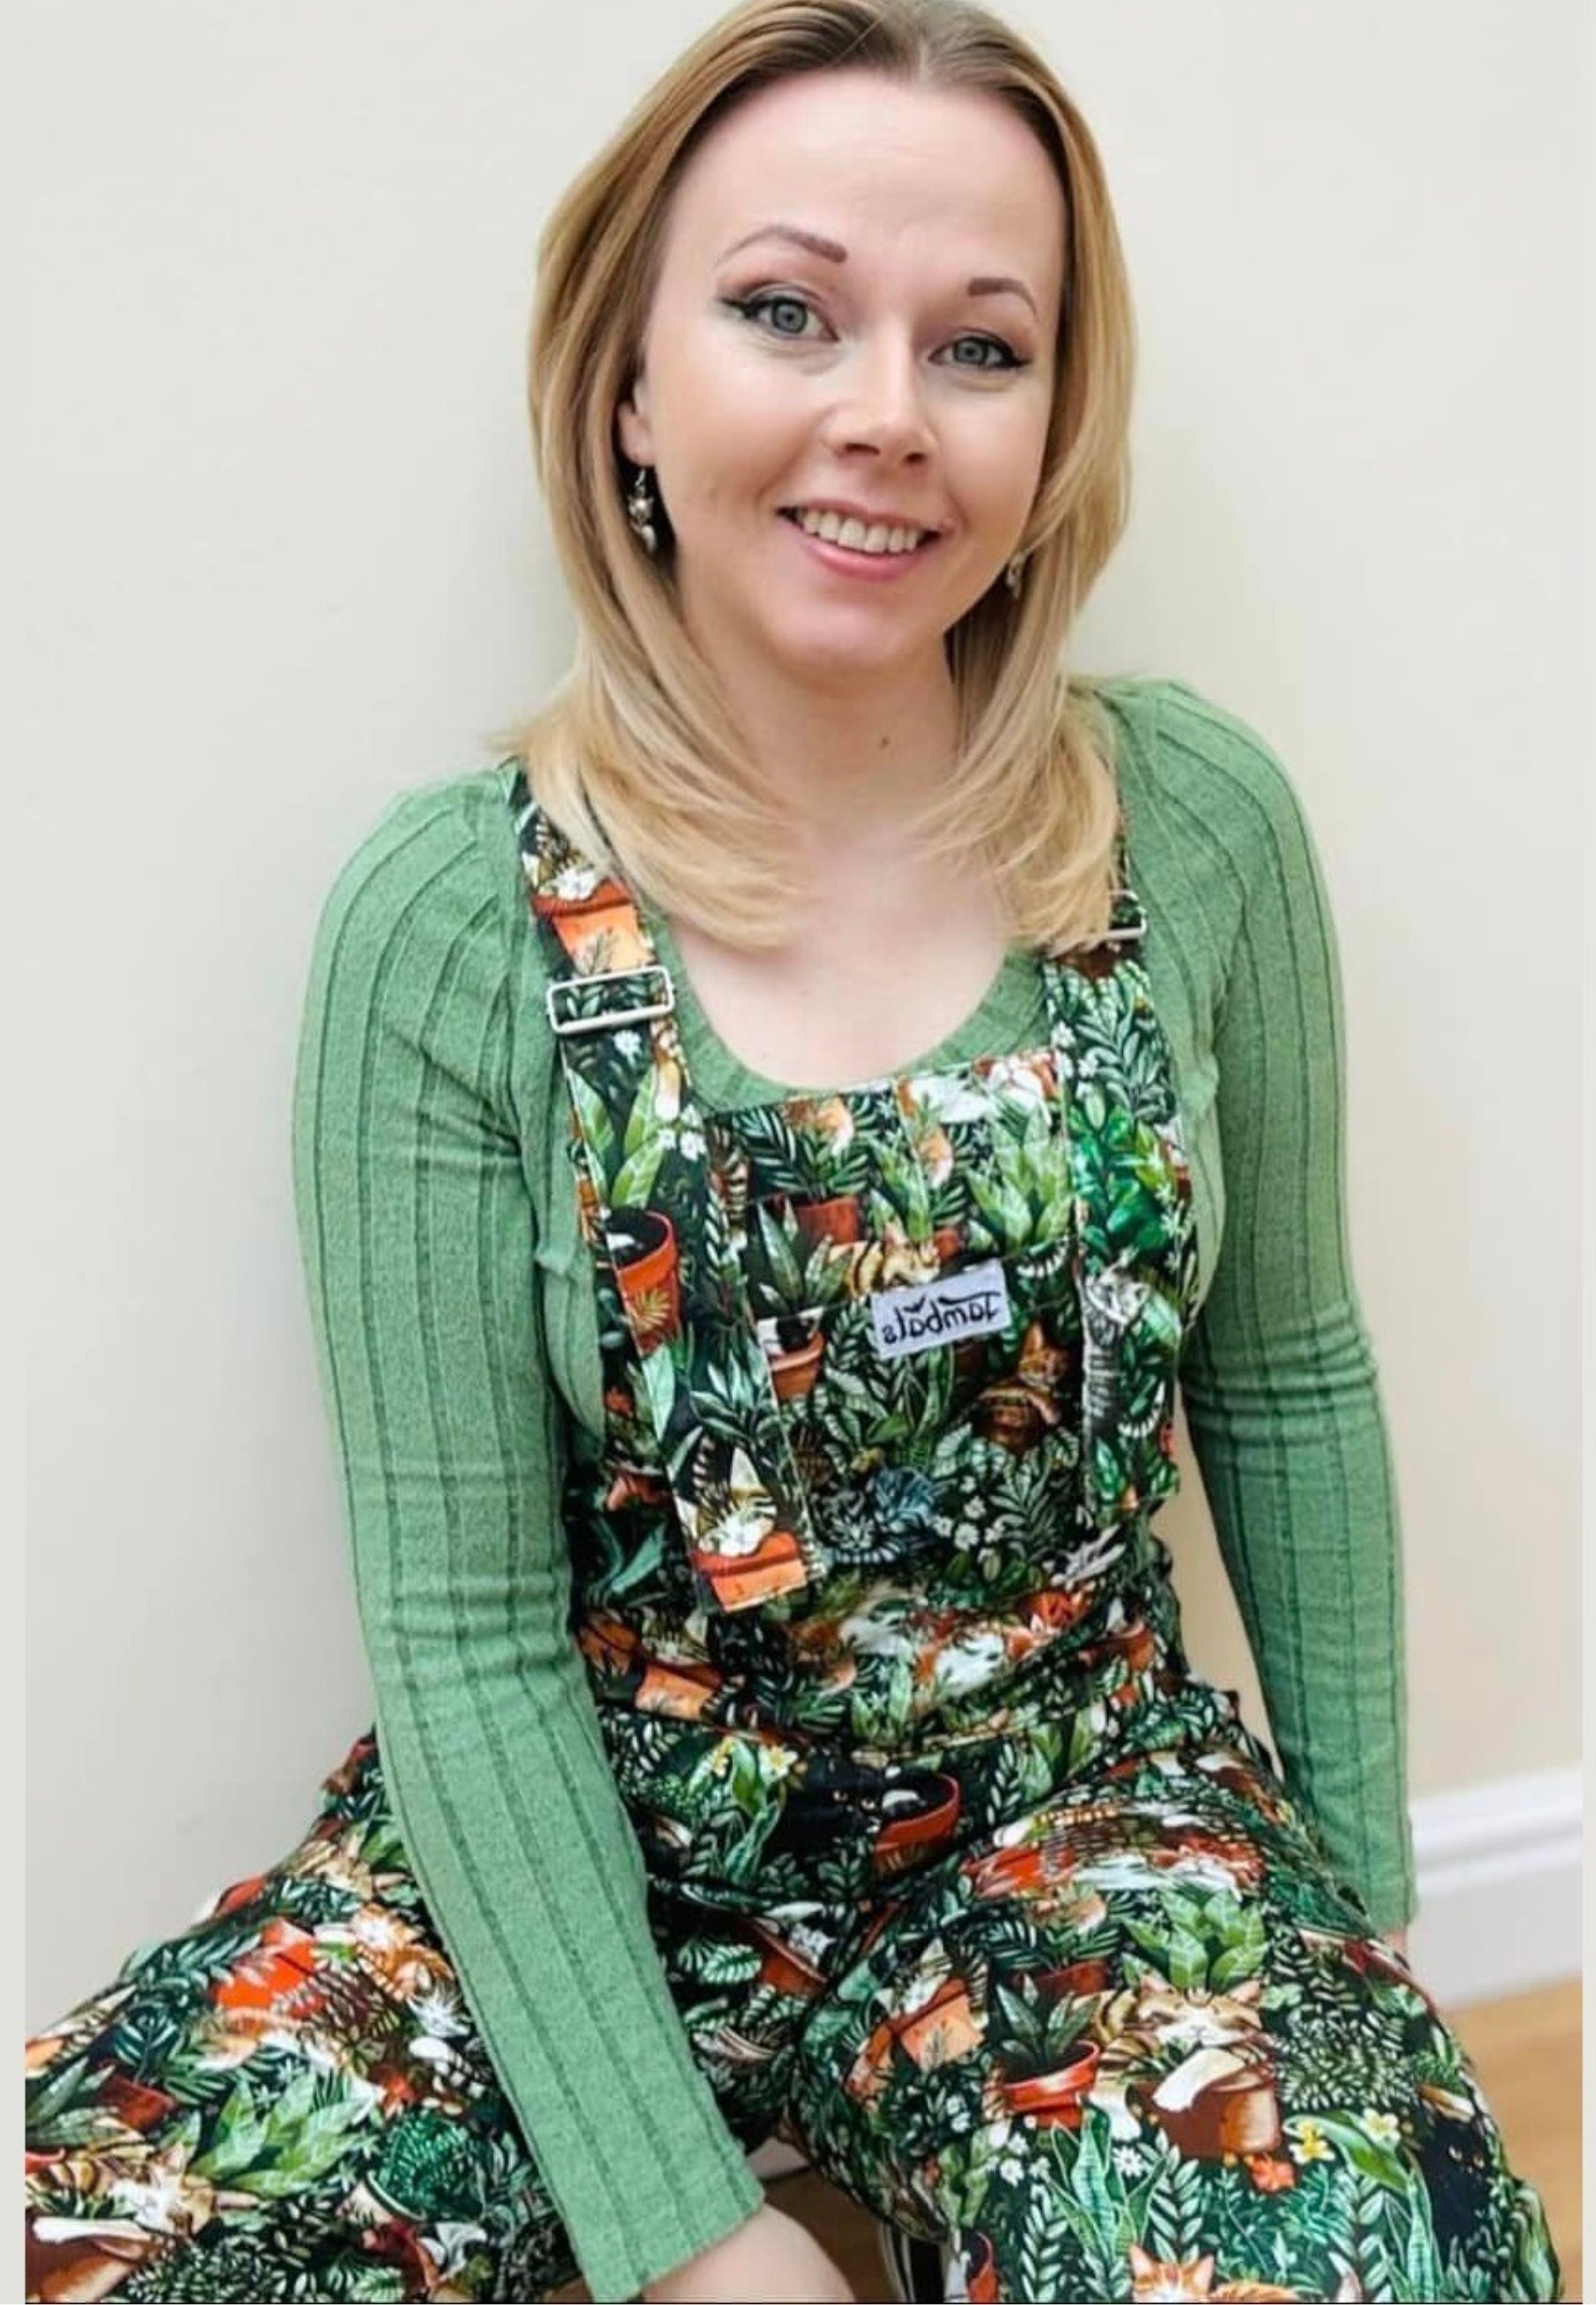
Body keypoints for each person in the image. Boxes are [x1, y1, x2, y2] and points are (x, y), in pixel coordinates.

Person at [23, 2, 1564, 2301]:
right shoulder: (450, 926)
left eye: (980, 344)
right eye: (782, 310)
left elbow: (1289, 1375)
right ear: (626, 383)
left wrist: (1337, 1919)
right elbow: (461, 1633)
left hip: (1081, 1831)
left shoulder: (1194, 825)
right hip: (577, 1848)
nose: (881, 413)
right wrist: (685, 2235)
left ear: (1054, 426)